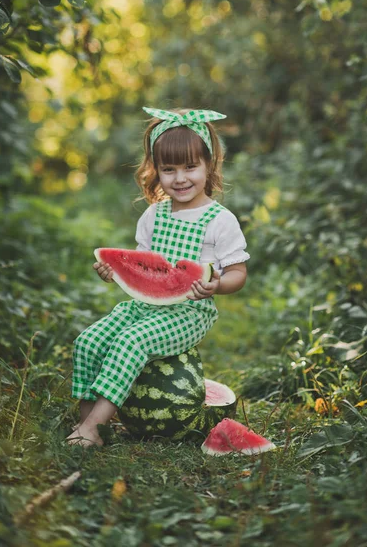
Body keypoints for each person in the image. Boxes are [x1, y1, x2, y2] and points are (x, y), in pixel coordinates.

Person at [66, 107, 250, 447]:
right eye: (169, 170)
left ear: (209, 165)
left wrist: (217, 285)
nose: (180, 178)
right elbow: (142, 266)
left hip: (189, 314)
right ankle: (86, 423)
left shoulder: (220, 220)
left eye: (190, 167)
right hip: (142, 307)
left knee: (130, 343)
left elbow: (238, 273)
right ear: (157, 171)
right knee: (87, 342)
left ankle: (93, 428)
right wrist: (114, 272)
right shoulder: (154, 214)